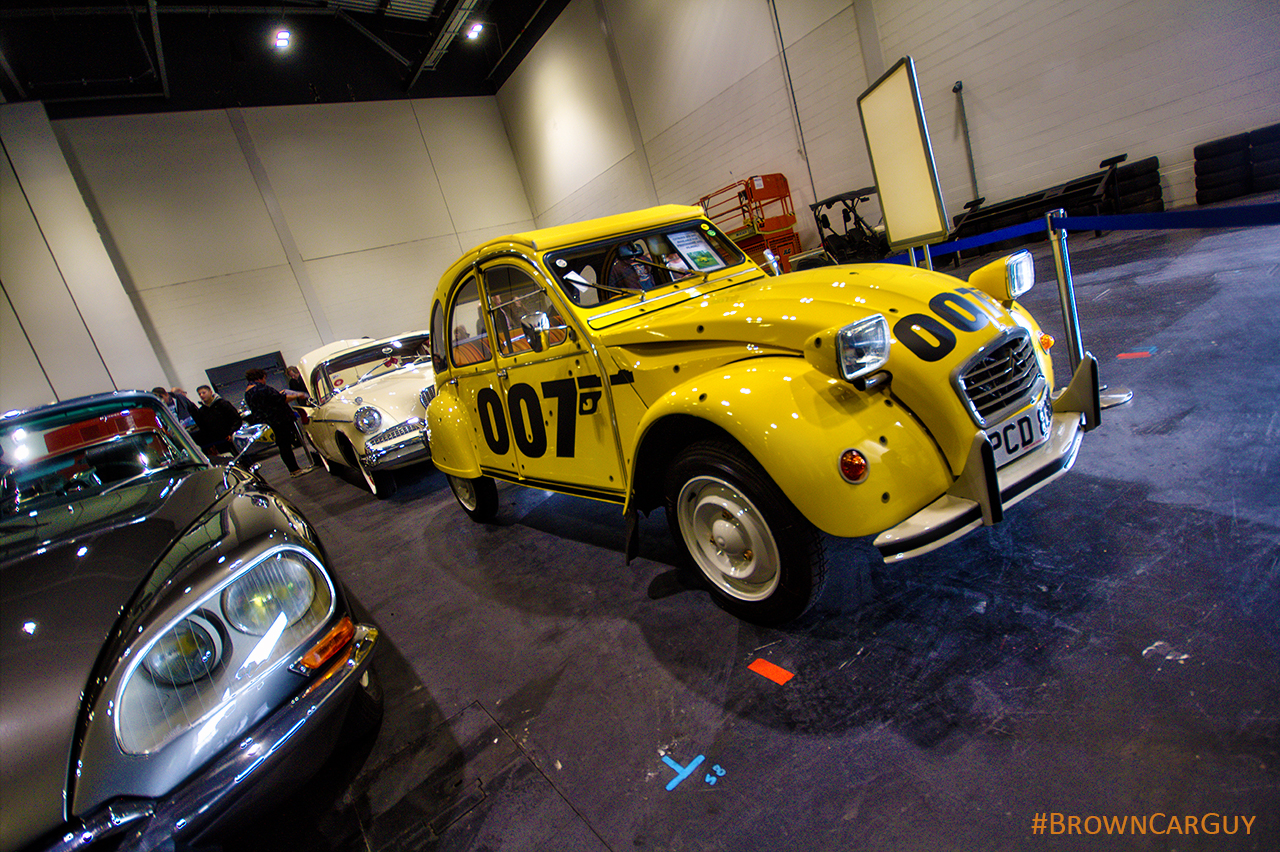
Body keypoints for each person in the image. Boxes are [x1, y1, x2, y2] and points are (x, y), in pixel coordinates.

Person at [243, 368, 311, 478]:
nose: (265, 381)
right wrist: (297, 395)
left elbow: (268, 401)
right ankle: (295, 470)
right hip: (278, 420)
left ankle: (294, 469)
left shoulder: (248, 392)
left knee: (283, 445)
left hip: (268, 422)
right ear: (260, 378)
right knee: (285, 446)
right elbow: (280, 400)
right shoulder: (261, 388)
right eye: (264, 378)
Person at [194, 385, 243, 456]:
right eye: (199, 394)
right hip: (218, 442)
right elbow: (204, 428)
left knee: (240, 455)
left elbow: (236, 419)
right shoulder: (202, 411)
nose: (201, 395)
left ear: (210, 392)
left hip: (231, 437)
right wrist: (211, 443)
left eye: (204, 393)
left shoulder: (223, 404)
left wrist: (232, 432)